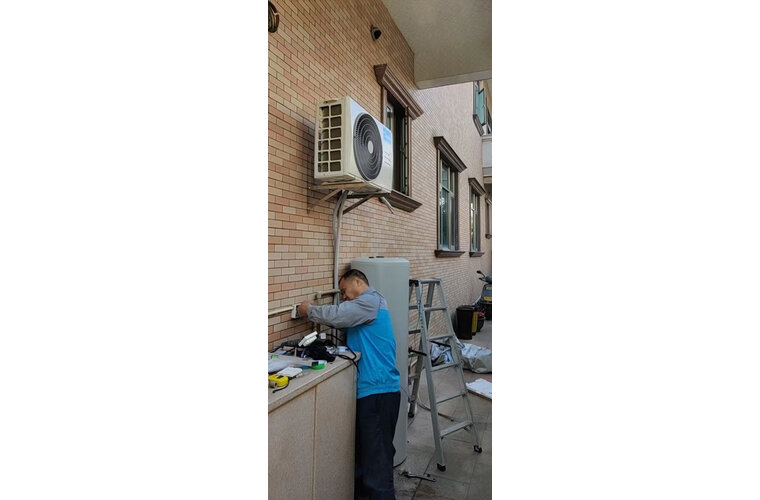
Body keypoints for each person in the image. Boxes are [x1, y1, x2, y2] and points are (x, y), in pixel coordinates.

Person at [298, 269, 400, 500]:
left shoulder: (371, 301)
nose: (343, 297)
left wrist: (308, 310)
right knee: (365, 463)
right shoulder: (368, 307)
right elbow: (343, 320)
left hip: (379, 393)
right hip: (373, 392)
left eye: (344, 291)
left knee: (377, 468)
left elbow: (338, 315)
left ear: (358, 282)